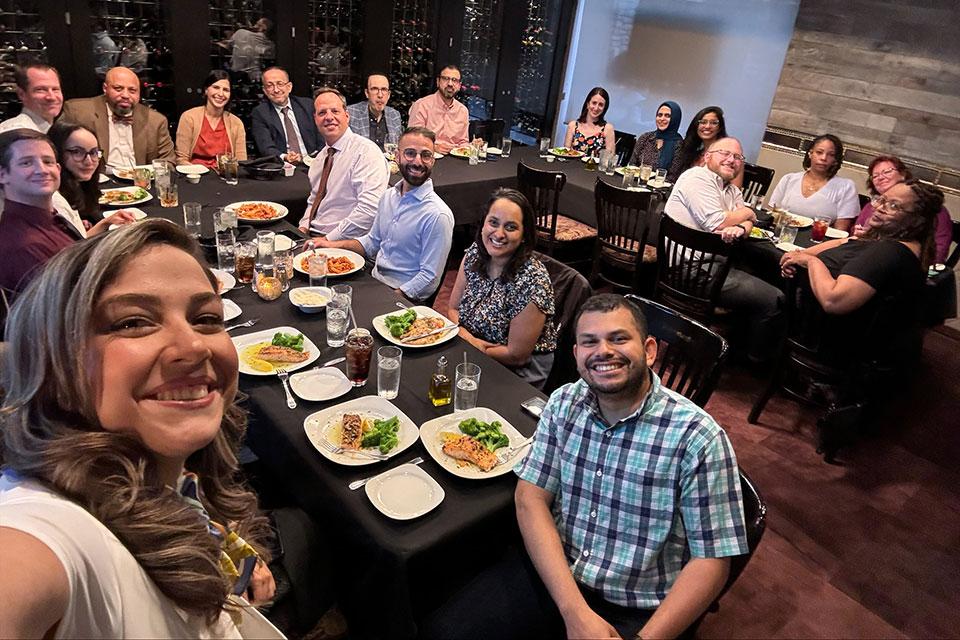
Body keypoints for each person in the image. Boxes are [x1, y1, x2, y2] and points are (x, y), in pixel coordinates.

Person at [0, 220, 277, 637]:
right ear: (53, 360)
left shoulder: (164, 466)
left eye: (205, 318)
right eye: (132, 322)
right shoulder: (53, 530)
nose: (194, 346)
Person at [422, 294, 747, 640]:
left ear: (649, 351)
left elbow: (712, 560)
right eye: (589, 342)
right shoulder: (564, 402)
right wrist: (574, 610)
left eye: (619, 338)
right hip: (556, 574)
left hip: (634, 609)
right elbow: (530, 499)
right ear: (576, 355)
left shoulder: (698, 437)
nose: (603, 351)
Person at [781, 179, 943, 364]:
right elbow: (846, 242)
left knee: (767, 296)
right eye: (881, 200)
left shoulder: (890, 253)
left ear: (917, 219)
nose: (880, 208)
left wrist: (811, 262)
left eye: (893, 206)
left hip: (831, 345)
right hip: (830, 330)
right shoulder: (893, 242)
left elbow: (833, 300)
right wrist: (800, 256)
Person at [663, 136, 784, 363]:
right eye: (725, 153)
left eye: (738, 157)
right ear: (708, 157)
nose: (732, 160)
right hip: (690, 271)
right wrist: (746, 215)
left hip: (713, 265)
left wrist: (742, 223)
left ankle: (732, 349)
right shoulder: (696, 178)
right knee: (773, 298)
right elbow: (718, 223)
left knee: (768, 274)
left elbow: (746, 224)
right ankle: (753, 364)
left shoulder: (730, 189)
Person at [310, 127, 453, 302]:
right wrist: (330, 245)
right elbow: (372, 242)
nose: (418, 162)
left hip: (402, 296)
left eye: (425, 155)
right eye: (410, 153)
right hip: (375, 280)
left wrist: (389, 300)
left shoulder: (437, 215)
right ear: (396, 156)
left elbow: (429, 278)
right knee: (320, 297)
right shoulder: (388, 196)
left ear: (433, 160)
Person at [0, 129, 133, 298]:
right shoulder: (23, 246)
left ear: (58, 168)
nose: (42, 170)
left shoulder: (50, 218)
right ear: (2, 175)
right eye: (26, 163)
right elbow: (75, 307)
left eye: (47, 162)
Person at [446, 188, 558, 388]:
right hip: (472, 349)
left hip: (516, 372)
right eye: (493, 222)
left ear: (524, 235)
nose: (499, 234)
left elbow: (517, 355)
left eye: (511, 227)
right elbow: (453, 310)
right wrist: (470, 340)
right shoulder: (474, 253)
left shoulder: (533, 280)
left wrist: (470, 343)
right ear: (483, 224)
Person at [297, 87, 389, 241]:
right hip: (314, 236)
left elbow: (369, 211)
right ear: (315, 119)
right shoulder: (320, 159)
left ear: (347, 115)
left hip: (345, 242)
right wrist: (303, 227)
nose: (328, 117)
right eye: (322, 113)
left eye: (335, 111)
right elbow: (314, 200)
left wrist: (328, 240)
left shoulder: (366, 152)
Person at [60, 66, 175, 170]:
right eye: (118, 88)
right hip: (97, 183)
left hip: (140, 184)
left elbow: (168, 161)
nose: (125, 95)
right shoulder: (77, 112)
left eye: (132, 90)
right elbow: (59, 153)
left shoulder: (156, 121)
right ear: (105, 88)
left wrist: (146, 174)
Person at [853, 154, 952, 263]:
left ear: (903, 174)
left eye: (887, 172)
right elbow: (854, 233)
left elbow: (938, 252)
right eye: (875, 176)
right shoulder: (870, 206)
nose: (880, 177)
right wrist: (862, 236)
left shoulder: (929, 209)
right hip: (863, 256)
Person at [768, 133, 860, 231]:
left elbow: (840, 233)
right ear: (810, 154)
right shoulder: (789, 179)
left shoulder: (846, 187)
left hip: (818, 241)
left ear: (835, 160)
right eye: (819, 152)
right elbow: (772, 214)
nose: (823, 158)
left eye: (831, 155)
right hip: (781, 234)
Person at [175, 71, 247, 168]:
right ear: (206, 90)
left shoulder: (236, 123)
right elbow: (181, 159)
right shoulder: (189, 117)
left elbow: (241, 161)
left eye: (226, 90)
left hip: (225, 176)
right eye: (216, 87)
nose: (221, 94)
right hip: (195, 176)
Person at [250, 66, 322, 163]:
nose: (276, 90)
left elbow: (323, 135)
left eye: (280, 84)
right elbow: (265, 147)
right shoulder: (260, 113)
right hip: (285, 166)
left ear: (289, 87)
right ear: (265, 90)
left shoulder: (308, 106)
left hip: (315, 161)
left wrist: (319, 157)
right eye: (270, 85)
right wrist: (285, 157)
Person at [47, 121, 104, 227]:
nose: (89, 161)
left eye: (93, 152)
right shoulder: (54, 199)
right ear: (56, 153)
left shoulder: (81, 186)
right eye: (77, 152)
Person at [408, 65, 469, 154]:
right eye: (445, 79)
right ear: (438, 82)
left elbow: (463, 142)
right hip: (427, 156)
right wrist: (433, 147)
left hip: (455, 159)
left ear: (459, 85)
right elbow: (412, 138)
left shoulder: (463, 111)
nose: (450, 84)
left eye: (454, 80)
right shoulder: (422, 105)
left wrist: (471, 146)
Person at [669, 105, 727, 183]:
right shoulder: (693, 155)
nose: (707, 126)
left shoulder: (727, 157)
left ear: (720, 128)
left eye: (714, 123)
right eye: (703, 122)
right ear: (696, 126)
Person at [0, 64, 63, 134]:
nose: (52, 97)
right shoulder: (14, 132)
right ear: (21, 94)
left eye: (55, 89)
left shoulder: (60, 133)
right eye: (41, 90)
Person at [347, 73, 403, 150]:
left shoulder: (394, 115)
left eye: (384, 89)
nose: (380, 95)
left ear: (389, 95)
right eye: (374, 89)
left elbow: (398, 147)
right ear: (367, 93)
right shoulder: (351, 113)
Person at [628, 100, 683, 170]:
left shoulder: (679, 145)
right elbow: (632, 165)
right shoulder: (645, 138)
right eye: (659, 115)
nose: (662, 119)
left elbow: (673, 176)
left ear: (675, 119)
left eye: (667, 116)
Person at [562, 87, 615, 157]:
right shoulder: (573, 125)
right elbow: (565, 155)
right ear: (587, 104)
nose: (596, 108)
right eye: (594, 103)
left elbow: (609, 158)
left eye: (601, 105)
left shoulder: (608, 129)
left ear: (604, 109)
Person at [222, 17, 275, 83]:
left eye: (256, 24)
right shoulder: (270, 45)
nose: (253, 26)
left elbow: (228, 46)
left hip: (235, 73)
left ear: (262, 28)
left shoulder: (240, 33)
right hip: (254, 76)